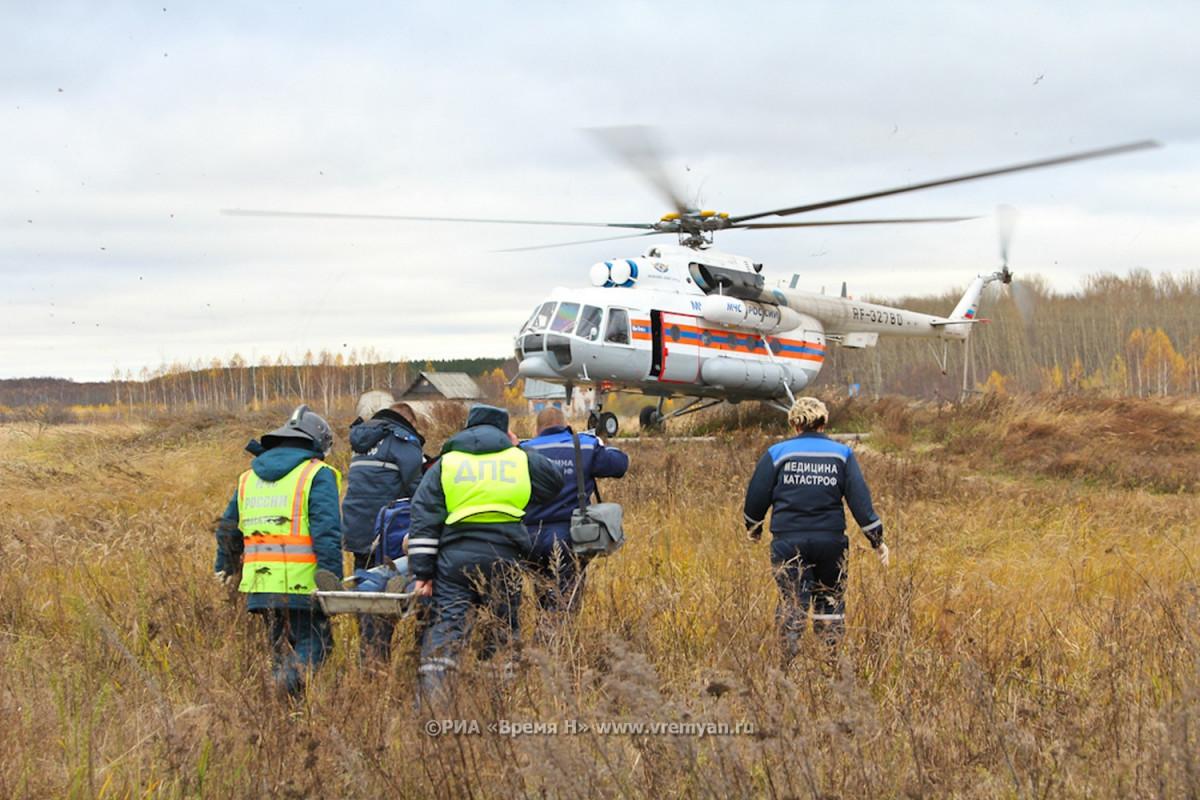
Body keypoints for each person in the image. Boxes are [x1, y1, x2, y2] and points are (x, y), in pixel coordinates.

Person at [407, 404, 564, 706]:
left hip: (454, 564)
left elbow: (423, 517)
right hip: (504, 561)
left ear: (467, 428)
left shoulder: (447, 463)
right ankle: (496, 704)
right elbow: (554, 482)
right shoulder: (518, 460)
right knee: (502, 631)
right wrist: (519, 448)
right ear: (505, 430)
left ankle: (430, 708)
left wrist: (423, 574)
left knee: (446, 632)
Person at [742, 396, 888, 660]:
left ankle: (787, 661)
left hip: (788, 542)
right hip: (830, 543)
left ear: (795, 425)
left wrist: (754, 527)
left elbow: (757, 496)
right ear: (823, 423)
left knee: (793, 600)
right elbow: (860, 501)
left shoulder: (777, 454)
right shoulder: (842, 455)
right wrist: (876, 540)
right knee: (830, 599)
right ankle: (830, 657)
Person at [214, 404, 343, 698]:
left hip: (260, 585)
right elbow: (327, 533)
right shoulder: (316, 474)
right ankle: (272, 695)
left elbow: (227, 528)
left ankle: (282, 721)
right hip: (303, 585)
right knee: (317, 646)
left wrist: (225, 565)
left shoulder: (248, 479)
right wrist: (332, 583)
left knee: (281, 652)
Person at [520, 405, 629, 630]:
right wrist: (600, 441)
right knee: (564, 599)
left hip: (528, 537)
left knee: (541, 594)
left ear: (537, 430)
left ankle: (539, 645)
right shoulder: (584, 446)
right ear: (567, 427)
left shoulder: (523, 450)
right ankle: (552, 651)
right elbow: (620, 464)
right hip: (569, 536)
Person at [340, 399, 427, 662]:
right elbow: (420, 491)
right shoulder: (403, 440)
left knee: (368, 594)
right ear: (409, 422)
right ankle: (416, 656)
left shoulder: (361, 444)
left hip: (357, 533)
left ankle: (371, 661)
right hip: (391, 536)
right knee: (400, 594)